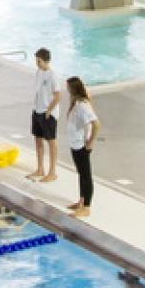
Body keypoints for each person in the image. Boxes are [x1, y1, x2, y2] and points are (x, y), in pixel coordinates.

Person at [64, 76, 98, 217]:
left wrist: (91, 141)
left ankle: (87, 207)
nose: (66, 89)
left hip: (81, 145)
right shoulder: (77, 102)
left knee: (86, 176)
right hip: (75, 144)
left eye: (68, 87)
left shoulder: (83, 106)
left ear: (73, 89)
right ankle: (81, 201)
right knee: (81, 174)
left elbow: (97, 124)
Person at [27, 48, 61, 183]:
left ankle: (52, 172)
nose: (37, 63)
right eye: (36, 60)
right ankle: (40, 168)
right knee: (38, 139)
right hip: (37, 110)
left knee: (51, 142)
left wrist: (49, 111)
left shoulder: (53, 75)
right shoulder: (39, 72)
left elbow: (58, 96)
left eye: (39, 61)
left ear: (46, 60)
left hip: (48, 113)